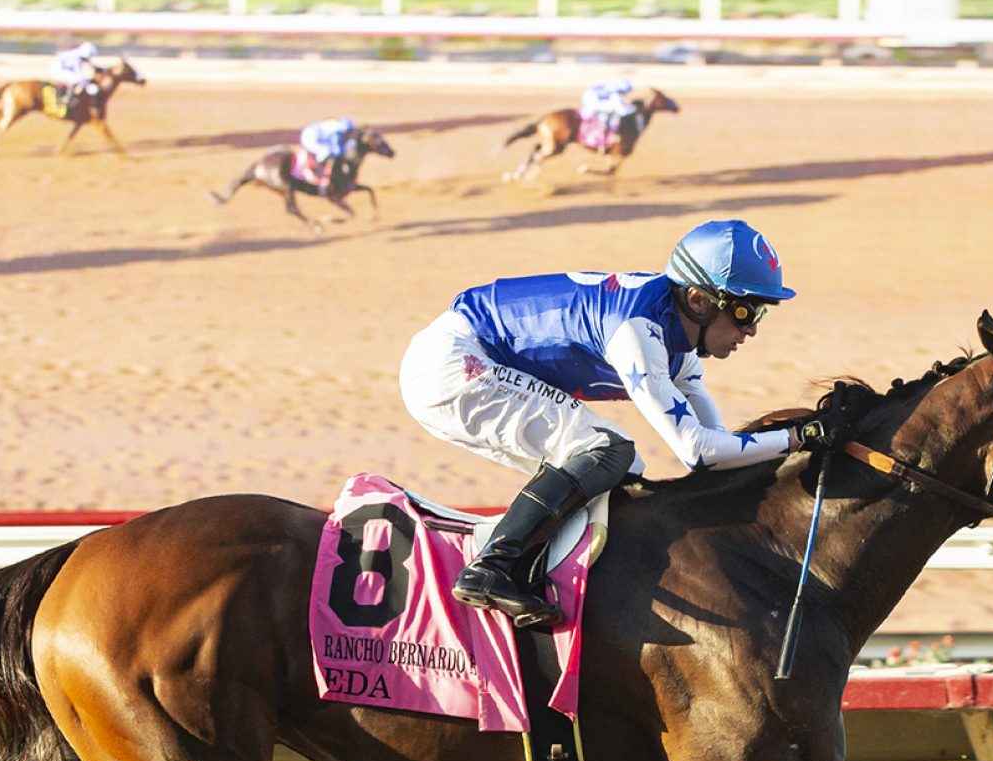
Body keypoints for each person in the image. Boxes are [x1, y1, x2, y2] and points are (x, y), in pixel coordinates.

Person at [400, 218, 835, 629]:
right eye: (745, 311)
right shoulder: (638, 330)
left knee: (623, 471)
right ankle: (492, 568)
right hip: (456, 362)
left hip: (462, 361)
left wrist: (794, 441)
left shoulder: (680, 346)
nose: (752, 330)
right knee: (608, 449)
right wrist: (800, 437)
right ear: (699, 300)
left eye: (761, 313)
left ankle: (538, 572)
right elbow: (699, 451)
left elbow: (716, 450)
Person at [298, 116, 358, 182]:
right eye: (349, 133)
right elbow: (337, 151)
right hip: (310, 139)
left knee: (329, 151)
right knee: (326, 151)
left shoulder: (338, 127)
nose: (349, 136)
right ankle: (319, 171)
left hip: (314, 135)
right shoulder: (337, 133)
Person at [51, 40, 102, 108]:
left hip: (60, 69)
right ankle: (65, 99)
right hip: (58, 71)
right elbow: (79, 74)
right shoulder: (76, 58)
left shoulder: (77, 55)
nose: (89, 59)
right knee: (75, 80)